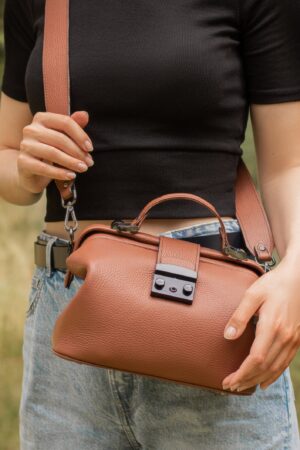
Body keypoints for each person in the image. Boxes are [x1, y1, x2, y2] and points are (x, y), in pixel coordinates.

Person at [0, 0, 300, 448]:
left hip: (212, 320)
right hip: (65, 323)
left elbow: (287, 166)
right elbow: (8, 158)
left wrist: (295, 272)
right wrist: (26, 167)